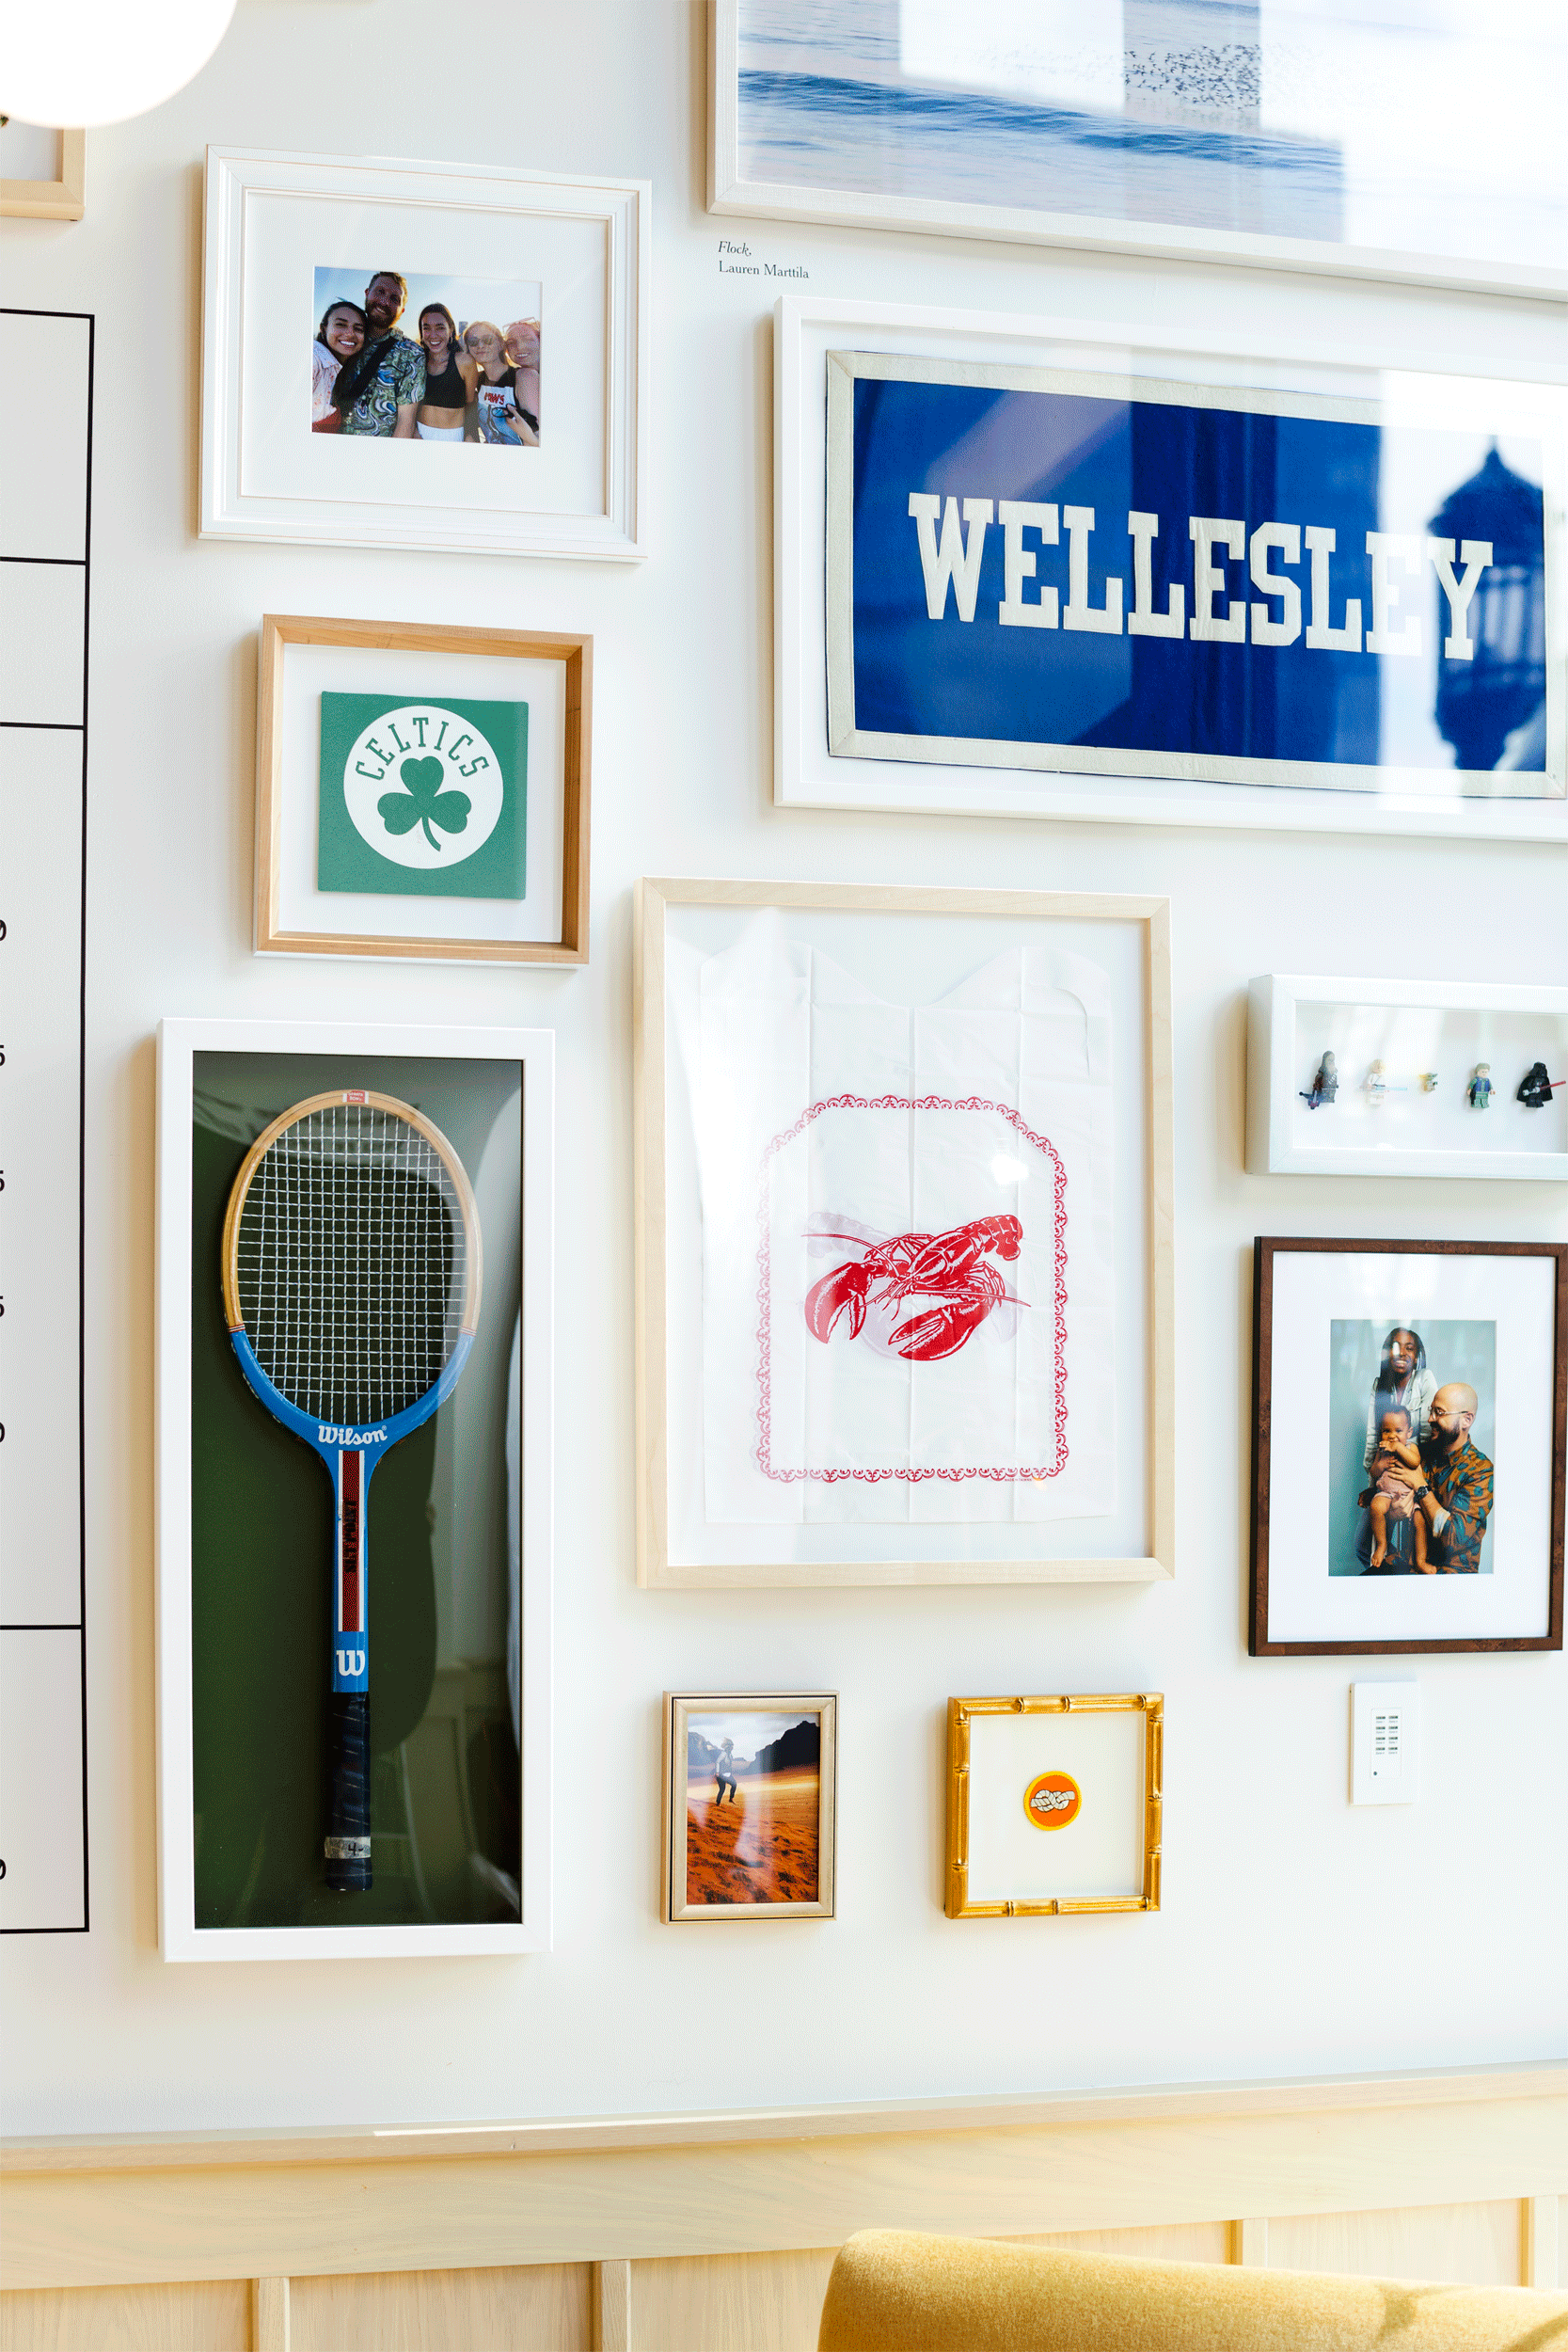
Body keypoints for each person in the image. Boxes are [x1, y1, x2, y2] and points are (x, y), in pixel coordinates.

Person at [1376, 1382, 1495, 1576]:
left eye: (1439, 1412)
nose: (1430, 1419)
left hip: (1449, 1575)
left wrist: (1420, 1485)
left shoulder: (1480, 1471)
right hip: (1406, 1564)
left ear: (1466, 1420)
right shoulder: (1420, 1454)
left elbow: (1454, 1538)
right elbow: (1389, 1493)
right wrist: (1392, 1512)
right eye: (1431, 1411)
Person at [1353, 1328, 1437, 1572]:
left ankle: (1410, 1566)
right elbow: (1373, 1437)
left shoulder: (1424, 1379)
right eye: (1396, 1347)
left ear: (1417, 1355)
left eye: (1409, 1348)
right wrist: (1375, 1485)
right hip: (1386, 1480)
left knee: (1416, 1541)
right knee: (1363, 1546)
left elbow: (1432, 1435)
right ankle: (1389, 1561)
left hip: (1417, 1476)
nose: (1402, 1353)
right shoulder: (1380, 1385)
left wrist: (1418, 1486)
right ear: (1386, 1352)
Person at [331, 271, 425, 438]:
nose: (384, 302)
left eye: (394, 299)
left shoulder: (411, 353)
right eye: (380, 292)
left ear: (402, 310)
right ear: (367, 293)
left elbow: (406, 423)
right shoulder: (341, 338)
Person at [1359, 1406, 1428, 1571]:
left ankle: (1420, 1560)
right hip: (1386, 1493)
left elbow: (1414, 1462)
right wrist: (1381, 1464)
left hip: (1409, 1496)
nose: (1392, 1436)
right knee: (1376, 1507)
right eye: (1386, 1431)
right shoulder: (1381, 1450)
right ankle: (1382, 1544)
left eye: (1398, 1431)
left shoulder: (1411, 1447)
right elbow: (1374, 1472)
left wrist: (1398, 1448)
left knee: (1420, 1521)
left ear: (1409, 1433)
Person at [465, 320, 540, 445]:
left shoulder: (525, 377)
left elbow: (540, 438)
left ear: (501, 345)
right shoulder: (476, 380)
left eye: (488, 340)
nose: (480, 345)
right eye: (473, 342)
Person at [414, 301, 477, 441]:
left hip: (453, 437)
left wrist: (470, 435)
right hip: (419, 435)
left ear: (451, 330)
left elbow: (471, 404)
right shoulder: (417, 361)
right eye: (426, 328)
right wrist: (414, 431)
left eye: (440, 328)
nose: (433, 335)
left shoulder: (464, 362)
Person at [312, 299, 366, 432]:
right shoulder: (314, 358)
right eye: (341, 325)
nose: (350, 333)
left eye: (358, 329)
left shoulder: (341, 369)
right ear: (323, 329)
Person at [713, 1740, 738, 1805]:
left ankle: (731, 1799)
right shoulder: (723, 1754)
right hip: (721, 1774)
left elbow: (729, 1764)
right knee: (722, 1789)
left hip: (728, 1774)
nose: (732, 1748)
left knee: (734, 1784)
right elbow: (717, 1762)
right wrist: (717, 1772)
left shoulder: (729, 1754)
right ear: (728, 1747)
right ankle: (718, 1802)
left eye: (732, 1746)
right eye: (731, 1746)